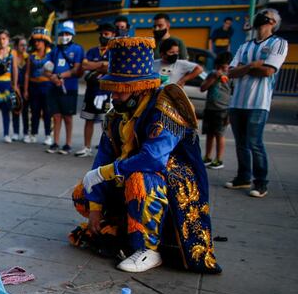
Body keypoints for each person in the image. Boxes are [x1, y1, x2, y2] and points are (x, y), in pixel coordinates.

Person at [70, 37, 220, 274]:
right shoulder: (116, 114)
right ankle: (120, 226)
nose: (114, 97)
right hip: (128, 172)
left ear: (137, 88)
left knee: (140, 178)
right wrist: (96, 207)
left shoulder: (165, 106)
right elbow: (104, 157)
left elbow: (153, 158)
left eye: (119, 91)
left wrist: (106, 172)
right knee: (82, 192)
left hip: (170, 180)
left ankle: (148, 249)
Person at [226, 8, 288, 198]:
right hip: (237, 102)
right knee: (240, 143)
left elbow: (269, 70)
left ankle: (260, 182)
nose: (260, 18)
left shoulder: (279, 43)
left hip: (258, 103)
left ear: (273, 23)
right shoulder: (245, 46)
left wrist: (243, 69)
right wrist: (252, 65)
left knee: (255, 143)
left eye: (265, 15)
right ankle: (243, 177)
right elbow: (231, 72)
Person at [45, 21, 84, 155]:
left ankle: (68, 144)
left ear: (72, 35)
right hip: (54, 86)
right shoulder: (55, 50)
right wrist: (53, 77)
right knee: (56, 116)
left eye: (67, 33)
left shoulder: (77, 49)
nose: (64, 36)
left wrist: (60, 76)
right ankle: (55, 142)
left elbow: (77, 69)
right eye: (62, 33)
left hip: (69, 87)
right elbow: (46, 66)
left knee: (67, 117)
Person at [77, 23, 115, 158]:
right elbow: (85, 65)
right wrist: (102, 65)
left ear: (113, 35)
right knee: (89, 120)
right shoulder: (93, 50)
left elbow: (110, 67)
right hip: (91, 91)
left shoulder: (114, 51)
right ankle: (86, 147)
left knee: (106, 123)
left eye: (106, 34)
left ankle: (106, 149)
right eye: (102, 34)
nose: (103, 36)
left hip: (106, 93)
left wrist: (96, 66)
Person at [200, 51, 233, 169]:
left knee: (219, 134)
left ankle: (219, 159)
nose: (221, 70)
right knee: (209, 134)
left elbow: (234, 95)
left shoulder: (231, 77)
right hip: (210, 108)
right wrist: (213, 78)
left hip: (223, 110)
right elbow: (203, 88)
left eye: (224, 67)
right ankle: (207, 156)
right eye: (219, 67)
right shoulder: (212, 74)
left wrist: (230, 114)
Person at [25, 27, 53, 145]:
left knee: (47, 111)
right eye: (35, 41)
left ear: (45, 42)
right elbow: (27, 74)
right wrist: (26, 89)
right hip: (34, 85)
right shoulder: (31, 56)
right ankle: (33, 134)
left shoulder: (51, 54)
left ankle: (48, 135)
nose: (37, 43)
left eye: (39, 41)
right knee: (34, 111)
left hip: (47, 85)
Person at [11, 35, 30, 141]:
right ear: (16, 46)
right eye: (22, 45)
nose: (24, 47)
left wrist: (26, 89)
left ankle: (26, 133)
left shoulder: (27, 57)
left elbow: (28, 74)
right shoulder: (12, 56)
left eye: (25, 45)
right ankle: (15, 132)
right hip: (14, 87)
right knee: (15, 109)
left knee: (25, 111)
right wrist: (14, 86)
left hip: (25, 87)